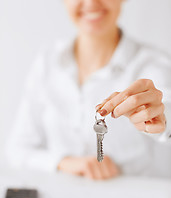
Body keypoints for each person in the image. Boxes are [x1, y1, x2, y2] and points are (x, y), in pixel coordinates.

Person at [6, 0, 171, 180]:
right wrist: (63, 163)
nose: (91, 3)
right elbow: (17, 149)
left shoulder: (155, 65)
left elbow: (166, 109)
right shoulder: (47, 62)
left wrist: (159, 118)